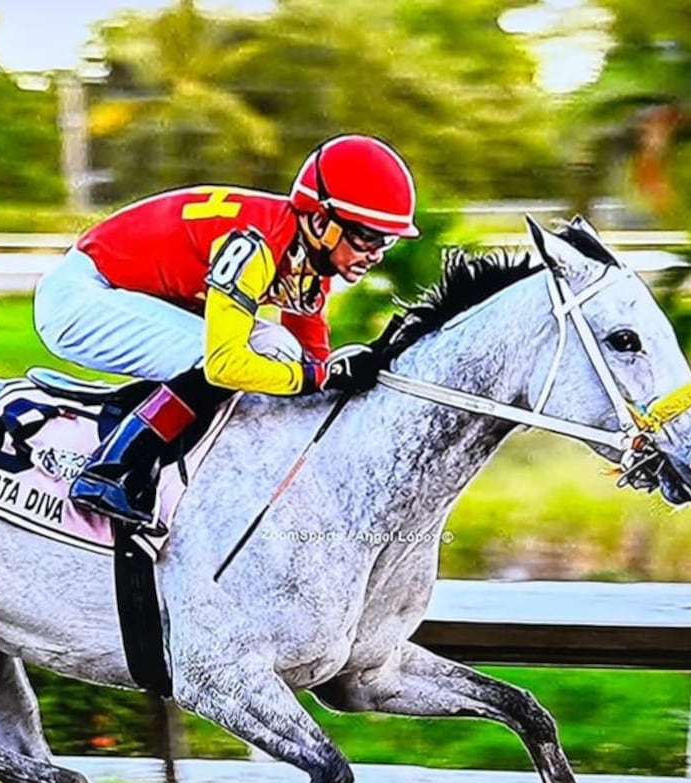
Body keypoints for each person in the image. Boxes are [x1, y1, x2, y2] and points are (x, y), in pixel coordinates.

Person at [33, 133, 419, 528]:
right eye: (367, 237)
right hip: (80, 299)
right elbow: (226, 365)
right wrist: (319, 376)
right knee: (250, 354)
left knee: (277, 348)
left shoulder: (309, 266)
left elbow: (312, 365)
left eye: (386, 241)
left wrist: (339, 380)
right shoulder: (255, 245)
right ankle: (111, 470)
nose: (375, 254)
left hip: (121, 292)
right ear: (321, 220)